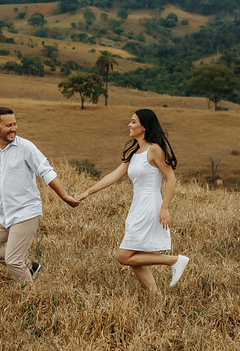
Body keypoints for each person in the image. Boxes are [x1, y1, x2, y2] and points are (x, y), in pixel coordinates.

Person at [74, 109, 189, 292]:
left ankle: (174, 260)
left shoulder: (154, 149)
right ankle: (156, 298)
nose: (130, 125)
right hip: (137, 206)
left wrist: (164, 208)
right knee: (135, 257)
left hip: (150, 205)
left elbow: (171, 178)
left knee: (124, 256)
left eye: (133, 122)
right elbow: (114, 175)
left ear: (144, 126)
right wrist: (88, 192)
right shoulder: (136, 153)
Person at [0, 107, 79, 284]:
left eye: (15, 124)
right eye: (8, 125)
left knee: (12, 260)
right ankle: (29, 265)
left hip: (26, 212)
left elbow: (46, 171)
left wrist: (65, 197)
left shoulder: (26, 147)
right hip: (4, 215)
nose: (13, 128)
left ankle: (30, 297)